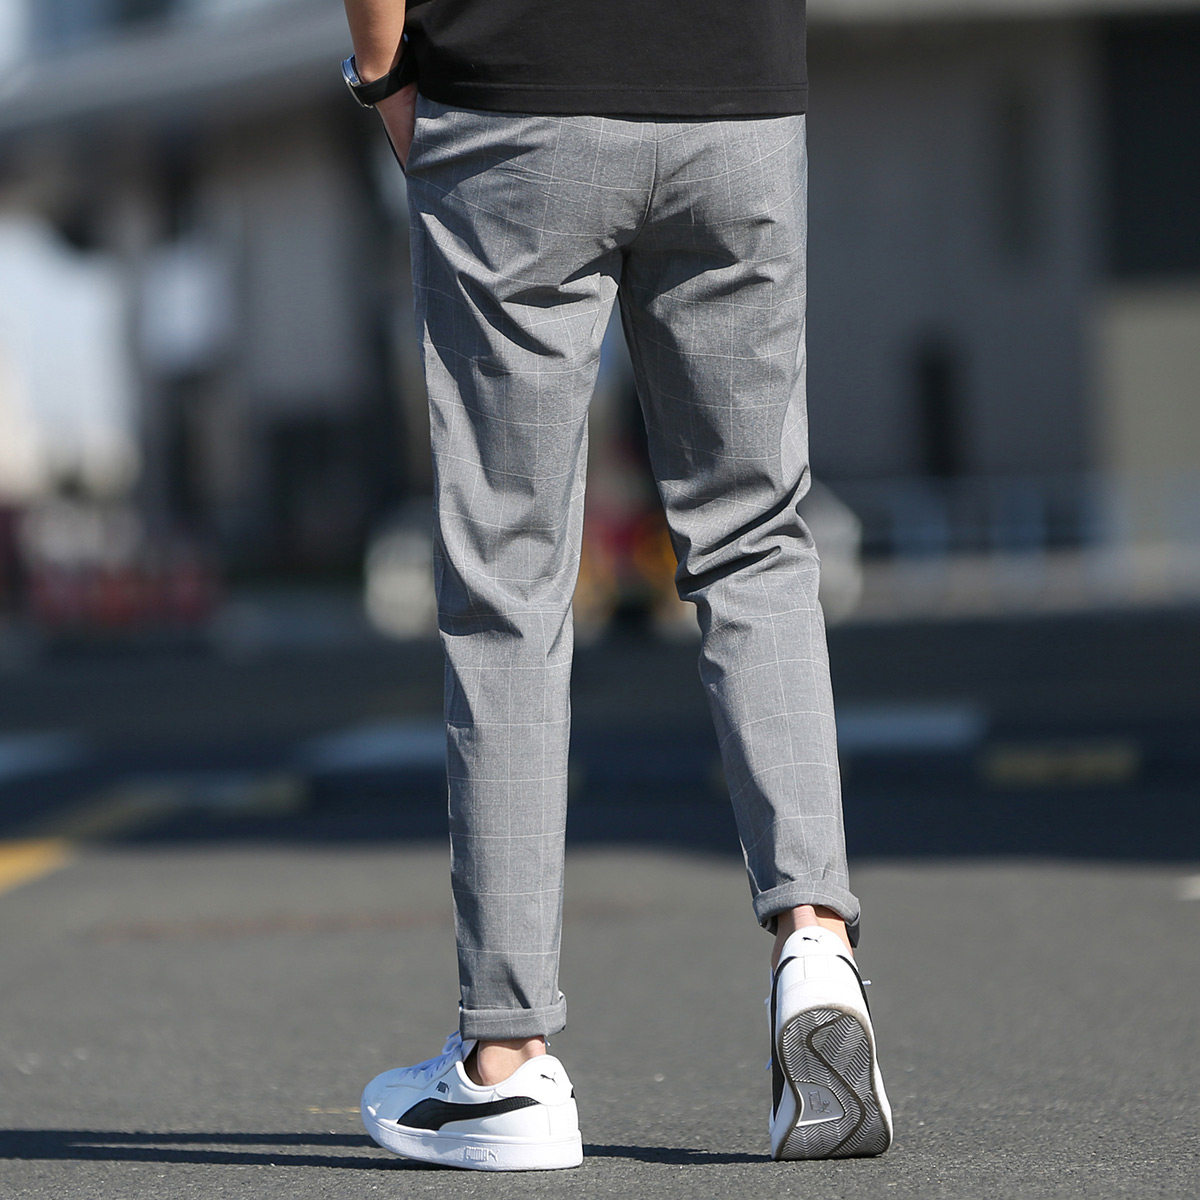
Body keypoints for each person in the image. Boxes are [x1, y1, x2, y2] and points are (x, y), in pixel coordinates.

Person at [340, 0, 893, 1170]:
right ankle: (815, 945)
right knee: (756, 537)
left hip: (510, 96)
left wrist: (385, 77)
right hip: (738, 94)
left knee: (511, 576)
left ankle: (506, 1064)